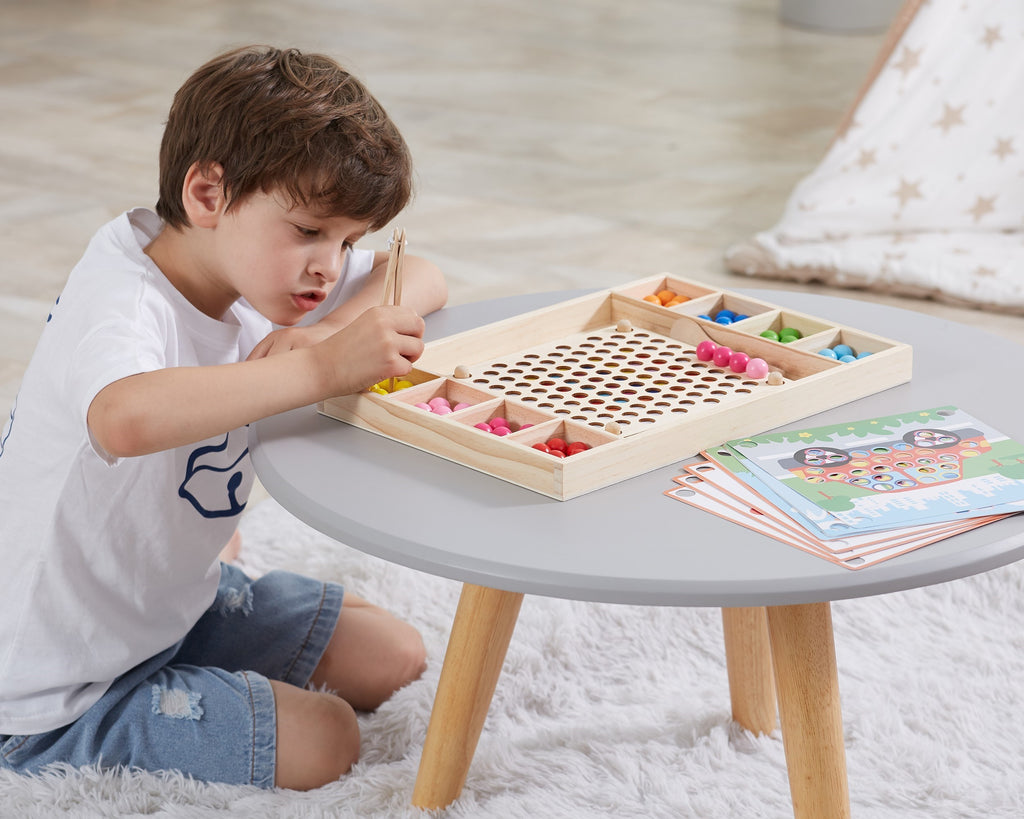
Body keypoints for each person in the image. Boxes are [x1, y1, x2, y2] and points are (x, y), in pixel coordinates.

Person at [0, 45, 448, 791]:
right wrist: (311, 370)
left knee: (394, 653)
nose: (330, 268)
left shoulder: (253, 268)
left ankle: (191, 647)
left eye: (347, 241)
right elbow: (123, 418)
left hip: (167, 602)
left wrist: (328, 334)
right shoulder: (122, 297)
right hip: (50, 677)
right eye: (311, 232)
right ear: (207, 194)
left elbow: (422, 275)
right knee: (327, 740)